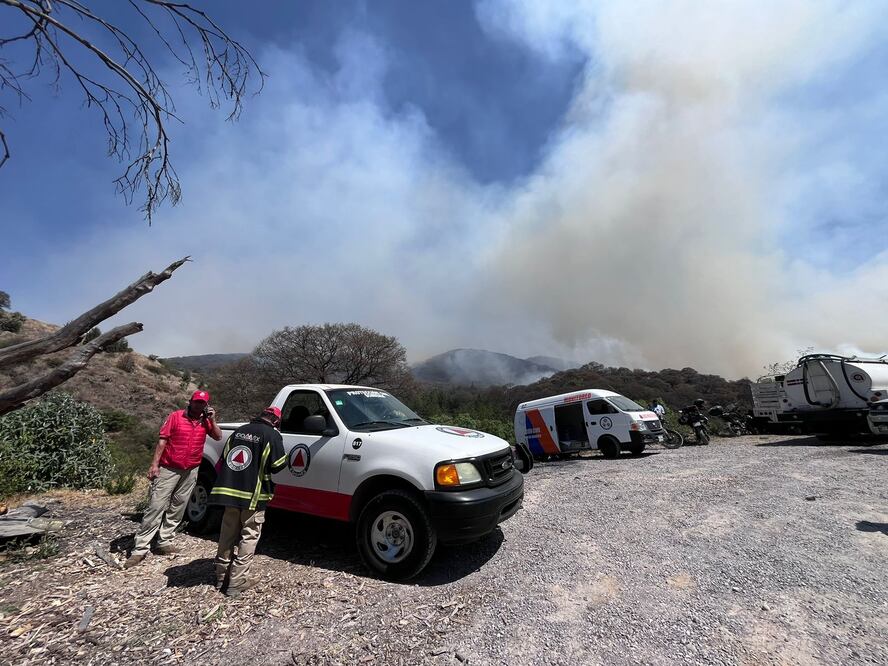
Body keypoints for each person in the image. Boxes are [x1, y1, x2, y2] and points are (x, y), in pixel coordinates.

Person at [124, 390, 222, 568]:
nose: (199, 406)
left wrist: (212, 419)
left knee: (179, 505)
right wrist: (154, 465)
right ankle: (140, 548)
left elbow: (218, 436)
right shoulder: (176, 417)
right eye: (196, 402)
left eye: (202, 403)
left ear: (206, 405)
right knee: (156, 505)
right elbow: (162, 440)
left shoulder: (206, 421)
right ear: (190, 402)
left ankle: (164, 541)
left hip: (191, 469)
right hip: (169, 468)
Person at [210, 406, 287, 597]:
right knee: (249, 536)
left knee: (227, 534)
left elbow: (226, 458)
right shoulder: (272, 435)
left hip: (229, 493)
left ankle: (221, 577)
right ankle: (237, 581)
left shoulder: (239, 431)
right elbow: (278, 465)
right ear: (276, 421)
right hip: (253, 496)